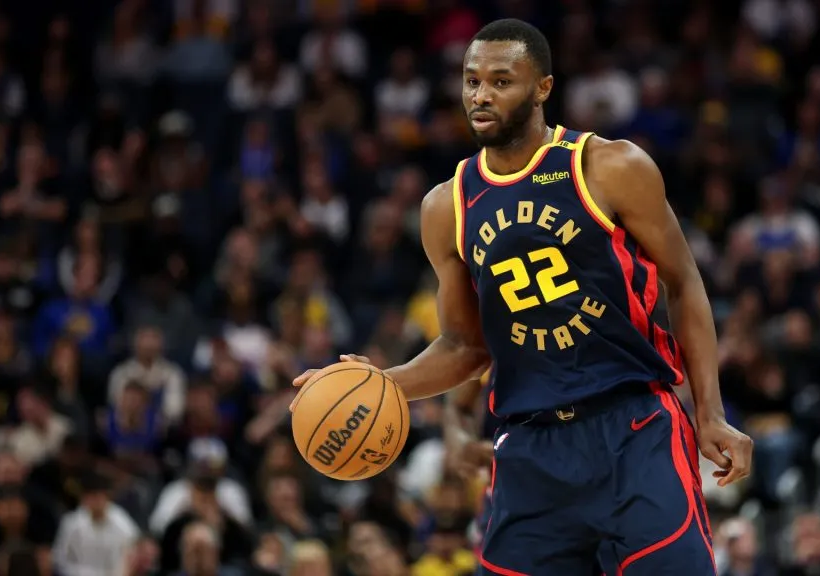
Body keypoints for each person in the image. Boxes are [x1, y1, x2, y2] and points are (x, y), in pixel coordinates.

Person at [291, 18, 752, 575]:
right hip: (530, 452)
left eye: (501, 81)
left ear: (543, 89)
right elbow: (467, 346)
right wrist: (383, 383)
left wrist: (710, 412)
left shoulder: (609, 167)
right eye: (471, 81)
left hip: (632, 431)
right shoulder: (447, 206)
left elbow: (684, 283)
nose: (481, 95)